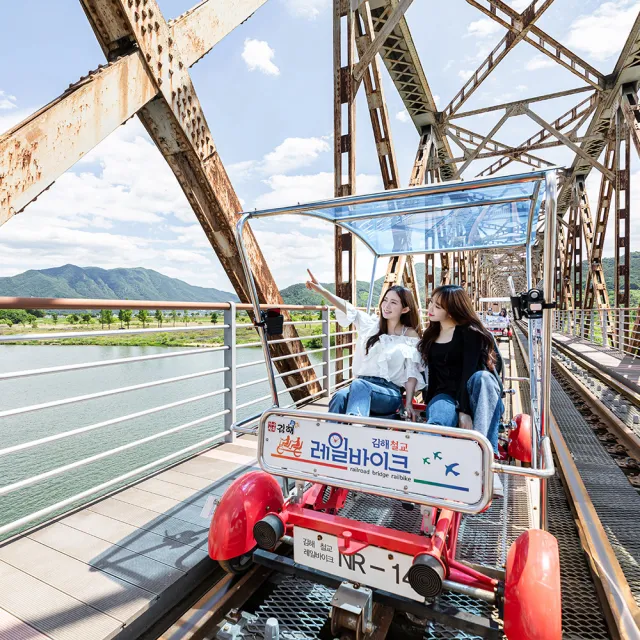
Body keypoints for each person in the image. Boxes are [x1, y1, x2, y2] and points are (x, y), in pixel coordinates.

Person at [305, 270, 425, 421]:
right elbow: (348, 308)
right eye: (385, 300)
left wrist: (408, 404)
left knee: (359, 385)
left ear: (405, 309)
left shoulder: (409, 335)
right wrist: (322, 290)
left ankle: (356, 425)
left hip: (389, 393)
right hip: (361, 385)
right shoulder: (370, 325)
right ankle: (332, 438)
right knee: (339, 396)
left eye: (393, 303)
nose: (386, 306)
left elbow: (411, 373)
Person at [417, 285, 503, 452]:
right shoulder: (431, 335)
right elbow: (432, 375)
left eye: (438, 306)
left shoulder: (471, 333)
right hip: (444, 395)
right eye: (430, 303)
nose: (430, 309)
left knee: (482, 378)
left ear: (451, 310)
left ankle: (483, 456)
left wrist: (463, 411)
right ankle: (426, 464)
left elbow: (468, 372)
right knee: (436, 423)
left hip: (475, 395)